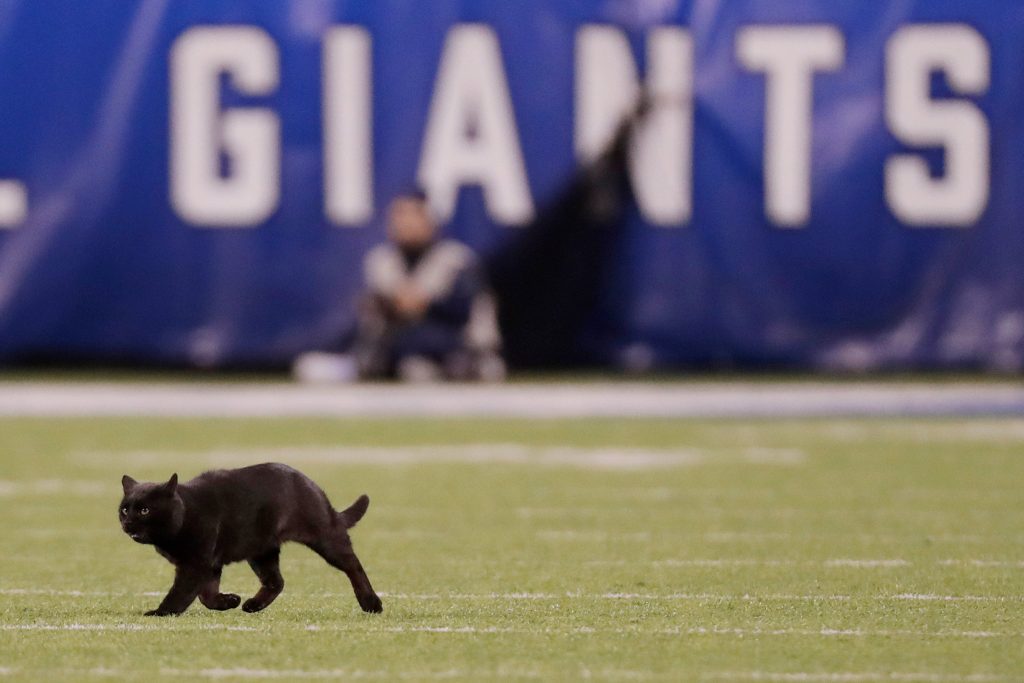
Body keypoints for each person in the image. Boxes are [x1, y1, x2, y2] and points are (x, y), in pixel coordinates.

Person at [294, 189, 504, 383]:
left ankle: (448, 367)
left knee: (425, 342)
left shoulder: (456, 259)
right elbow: (376, 312)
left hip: (457, 343)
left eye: (413, 215)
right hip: (401, 345)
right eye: (400, 216)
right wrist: (391, 304)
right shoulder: (382, 260)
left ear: (431, 220)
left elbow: (463, 311)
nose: (406, 224)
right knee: (391, 344)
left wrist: (425, 304)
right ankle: (359, 365)